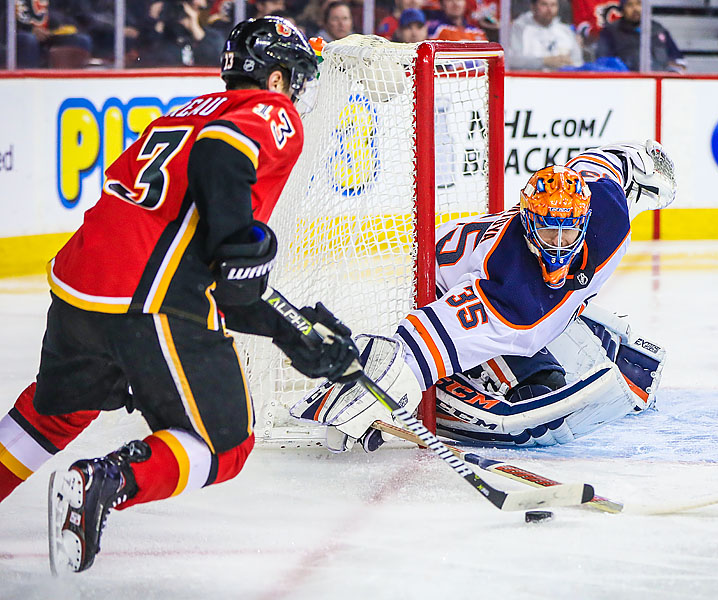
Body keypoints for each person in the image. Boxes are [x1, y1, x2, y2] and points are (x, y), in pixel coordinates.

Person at [0, 16, 359, 574]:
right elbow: (223, 169)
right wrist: (239, 244)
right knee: (224, 446)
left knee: (56, 415)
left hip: (80, 283)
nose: (297, 93)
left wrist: (293, 330)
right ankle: (109, 480)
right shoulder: (268, 110)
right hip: (148, 296)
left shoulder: (181, 114)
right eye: (296, 79)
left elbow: (225, 277)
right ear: (278, 76)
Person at [296, 140, 676, 452]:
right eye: (548, 232)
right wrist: (370, 386)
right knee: (542, 388)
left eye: (568, 231)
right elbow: (424, 343)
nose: (559, 245)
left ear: (585, 219)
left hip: (509, 285)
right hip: (442, 285)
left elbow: (605, 163)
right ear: (528, 224)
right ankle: (447, 392)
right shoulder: (509, 288)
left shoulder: (608, 211)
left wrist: (642, 161)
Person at [594, 0, 686, 72]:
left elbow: (678, 61)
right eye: (630, 5)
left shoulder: (658, 30)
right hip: (625, 86)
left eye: (639, 3)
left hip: (659, 86)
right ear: (622, 8)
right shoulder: (610, 32)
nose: (635, 9)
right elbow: (603, 62)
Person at [507, 0, 584, 71]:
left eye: (553, 5)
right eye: (544, 4)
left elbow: (578, 62)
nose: (549, 9)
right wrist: (544, 61)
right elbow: (511, 60)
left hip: (562, 80)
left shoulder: (566, 30)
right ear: (533, 7)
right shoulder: (519, 29)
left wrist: (567, 63)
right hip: (529, 80)